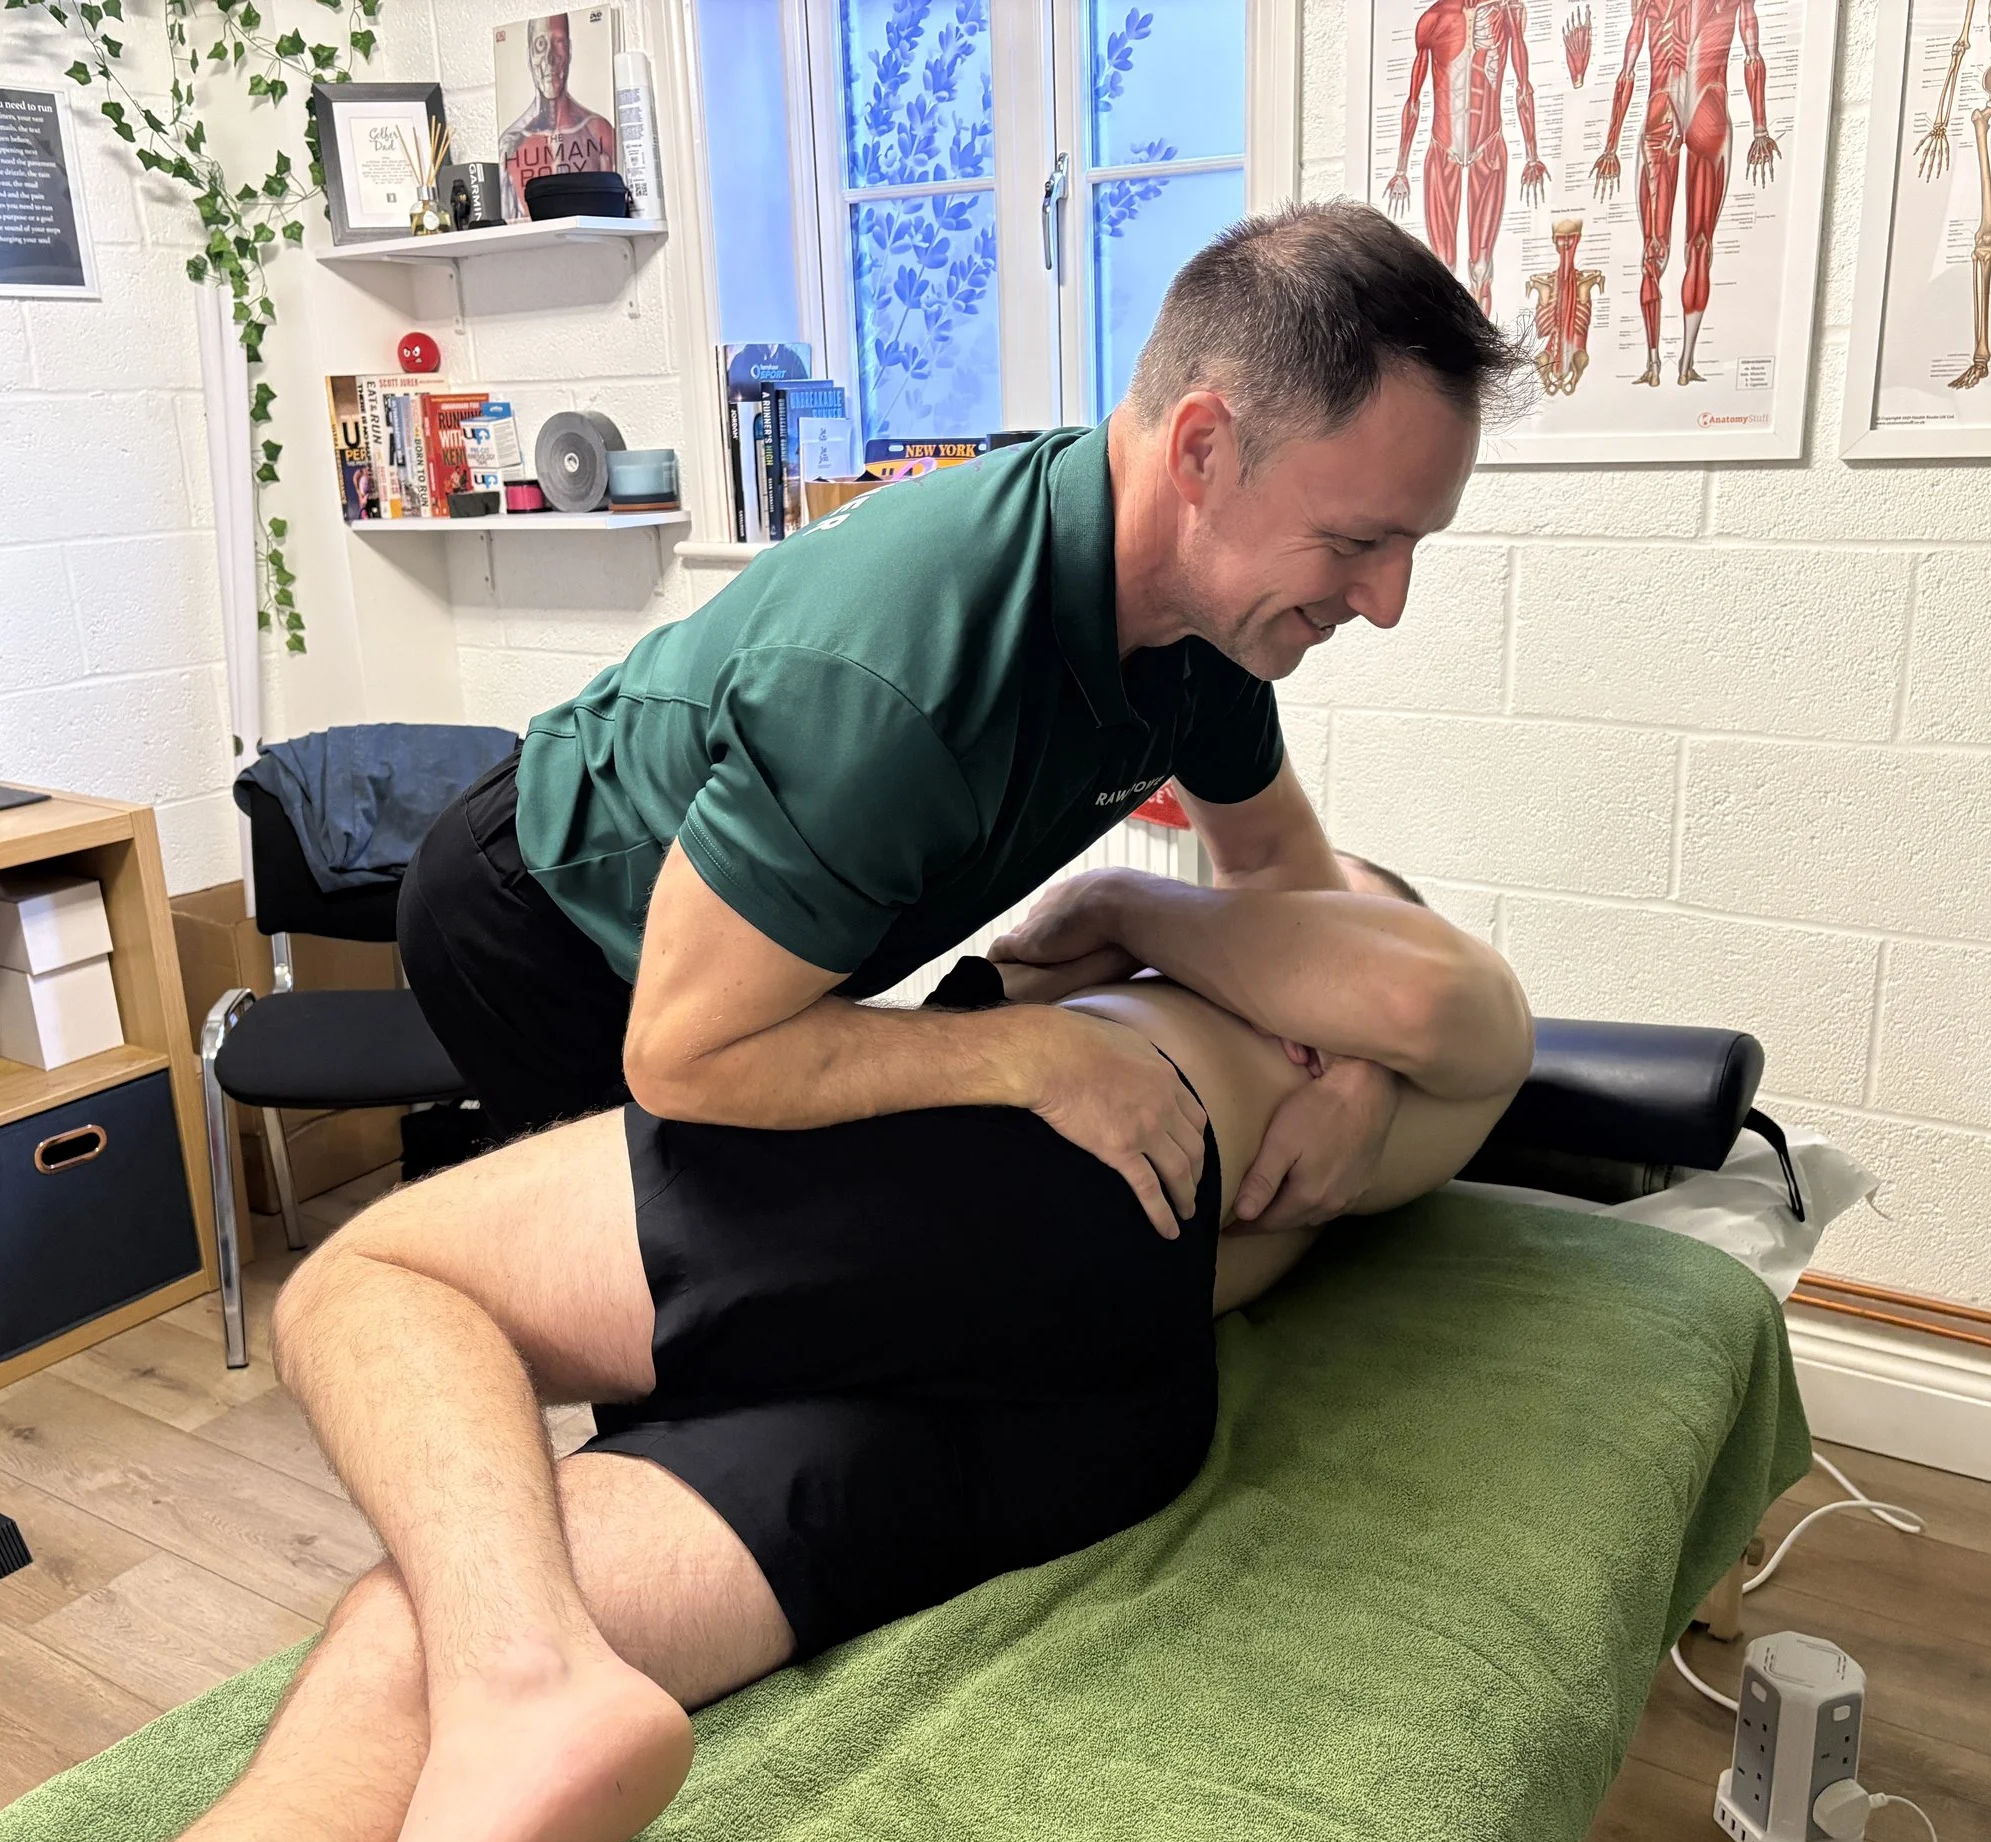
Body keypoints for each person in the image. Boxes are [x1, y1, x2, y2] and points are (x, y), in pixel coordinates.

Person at [146, 856, 1533, 1842]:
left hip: (1026, 1191)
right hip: (1090, 1411)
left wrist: (1132, 903)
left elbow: (1412, 980)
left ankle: (532, 1689)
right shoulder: (1376, 1119)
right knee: (441, 1616)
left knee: (364, 1276)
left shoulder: (1394, 1009)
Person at [399, 202, 1520, 1251]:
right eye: (1356, 542)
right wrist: (1039, 1053)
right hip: (543, 915)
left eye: (1412, 545)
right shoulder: (902, 684)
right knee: (687, 1304)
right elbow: (689, 1055)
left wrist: (1358, 1078)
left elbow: (1279, 874)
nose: (1387, 602)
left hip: (734, 958)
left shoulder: (1211, 627)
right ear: (1200, 453)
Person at [498, 12, 620, 221]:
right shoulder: (511, 145)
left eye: (559, 42)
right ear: (529, 57)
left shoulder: (599, 131)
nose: (550, 58)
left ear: (569, 51)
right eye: (540, 45)